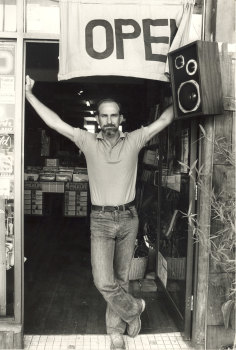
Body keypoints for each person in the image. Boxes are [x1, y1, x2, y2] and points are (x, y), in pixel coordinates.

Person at [25, 75, 174, 350]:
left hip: (129, 219)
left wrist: (184, 89)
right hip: (101, 220)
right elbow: (54, 123)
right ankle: (135, 309)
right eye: (104, 116)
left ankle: (115, 331)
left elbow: (164, 120)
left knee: (121, 278)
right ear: (99, 118)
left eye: (113, 116)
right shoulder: (87, 141)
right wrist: (30, 95)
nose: (108, 121)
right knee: (102, 280)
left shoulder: (135, 139)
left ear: (120, 118)